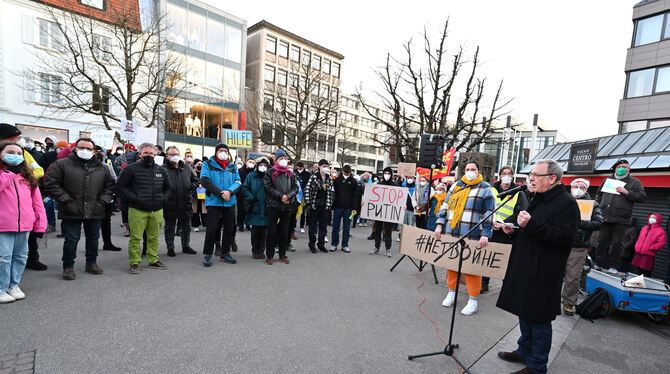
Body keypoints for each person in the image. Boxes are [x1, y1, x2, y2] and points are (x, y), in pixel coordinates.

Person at [496, 159, 579, 374]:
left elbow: (565, 236)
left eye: (536, 175)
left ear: (552, 179)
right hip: (526, 264)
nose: (531, 179)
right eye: (531, 174)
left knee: (538, 318)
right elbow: (525, 221)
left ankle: (537, 365)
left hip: (544, 271)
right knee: (524, 312)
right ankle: (524, 350)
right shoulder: (538, 197)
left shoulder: (567, 203)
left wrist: (529, 225)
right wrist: (511, 226)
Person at [45, 138, 115, 280]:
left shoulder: (103, 168)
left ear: (94, 151)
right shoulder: (61, 164)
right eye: (81, 147)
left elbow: (110, 186)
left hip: (95, 209)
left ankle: (91, 263)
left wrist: (102, 201)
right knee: (71, 239)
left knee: (93, 238)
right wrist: (66, 200)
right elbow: (51, 183)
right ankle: (68, 266)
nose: (85, 151)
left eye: (89, 149)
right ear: (75, 148)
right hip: (71, 208)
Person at [434, 160, 495, 316]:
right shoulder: (456, 186)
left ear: (479, 172)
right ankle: (451, 292)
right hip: (452, 231)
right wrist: (440, 224)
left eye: (473, 169)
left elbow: (489, 213)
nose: (469, 171)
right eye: (467, 169)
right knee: (452, 265)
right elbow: (445, 206)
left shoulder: (486, 189)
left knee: (471, 269)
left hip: (472, 234)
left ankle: (473, 300)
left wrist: (485, 234)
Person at [0, 142, 47, 303]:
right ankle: (1, 287)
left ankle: (14, 284)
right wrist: (10, 173)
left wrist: (40, 224)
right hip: (3, 224)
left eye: (19, 153)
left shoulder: (27, 176)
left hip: (24, 224)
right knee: (3, 257)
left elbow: (37, 203)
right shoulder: (5, 174)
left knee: (20, 256)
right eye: (10, 152)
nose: (16, 155)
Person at [117, 142, 171, 274]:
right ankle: (134, 262)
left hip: (157, 210)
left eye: (151, 153)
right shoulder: (130, 169)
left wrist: (163, 199)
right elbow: (120, 187)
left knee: (153, 237)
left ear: (155, 154)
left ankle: (153, 259)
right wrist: (134, 198)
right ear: (140, 154)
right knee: (136, 238)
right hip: (137, 209)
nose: (149, 155)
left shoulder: (161, 170)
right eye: (146, 153)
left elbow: (168, 188)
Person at [482, 166, 529, 293]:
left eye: (509, 173)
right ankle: (484, 283)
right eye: (504, 173)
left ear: (512, 176)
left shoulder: (519, 192)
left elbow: (521, 211)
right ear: (500, 175)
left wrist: (507, 224)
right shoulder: (491, 189)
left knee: (505, 261)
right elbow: (484, 207)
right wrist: (492, 222)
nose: (506, 176)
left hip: (507, 232)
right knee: (487, 258)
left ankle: (507, 287)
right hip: (491, 229)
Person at [594, 159, 646, 274]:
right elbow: (599, 194)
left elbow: (642, 197)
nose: (622, 168)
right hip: (605, 216)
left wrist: (627, 192)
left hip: (621, 218)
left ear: (629, 169)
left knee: (617, 243)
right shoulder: (607, 180)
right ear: (616, 169)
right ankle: (599, 263)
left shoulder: (635, 182)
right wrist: (597, 207)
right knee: (602, 241)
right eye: (619, 166)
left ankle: (614, 266)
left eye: (625, 166)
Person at [561, 178, 603, 316]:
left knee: (573, 277)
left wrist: (580, 223)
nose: (578, 189)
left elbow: (598, 222)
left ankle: (568, 303)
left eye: (582, 187)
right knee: (553, 272)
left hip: (579, 246)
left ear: (586, 190)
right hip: (560, 242)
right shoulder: (564, 201)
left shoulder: (593, 205)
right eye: (575, 186)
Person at [199, 144, 241, 267]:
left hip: (229, 202)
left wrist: (229, 192)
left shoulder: (232, 166)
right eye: (221, 150)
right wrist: (220, 193)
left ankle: (225, 253)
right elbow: (205, 180)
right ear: (216, 152)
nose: (223, 152)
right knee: (211, 229)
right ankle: (208, 254)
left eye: (225, 151)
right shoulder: (208, 164)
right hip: (214, 201)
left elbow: (238, 182)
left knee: (229, 229)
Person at [263, 150, 299, 264]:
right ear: (276, 160)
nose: (283, 161)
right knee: (271, 232)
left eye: (285, 158)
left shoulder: (291, 173)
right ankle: (269, 255)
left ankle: (282, 254)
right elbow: (267, 187)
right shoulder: (270, 172)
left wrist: (287, 196)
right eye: (281, 159)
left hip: (287, 207)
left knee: (284, 232)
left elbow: (295, 188)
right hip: (274, 206)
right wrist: (281, 196)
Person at [163, 146, 198, 257]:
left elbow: (196, 181)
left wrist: (190, 187)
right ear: (167, 156)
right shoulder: (163, 169)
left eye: (176, 154)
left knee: (186, 227)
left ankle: (186, 246)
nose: (175, 157)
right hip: (170, 203)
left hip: (185, 202)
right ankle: (170, 248)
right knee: (170, 227)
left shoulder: (187, 168)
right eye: (172, 154)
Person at [94, 146, 122, 252]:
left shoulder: (108, 166)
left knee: (106, 222)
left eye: (100, 152)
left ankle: (108, 243)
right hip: (92, 199)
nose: (98, 154)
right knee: (93, 224)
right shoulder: (85, 166)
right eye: (96, 151)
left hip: (106, 199)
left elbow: (114, 179)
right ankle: (92, 245)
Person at [241, 157, 269, 259]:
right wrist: (251, 197)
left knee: (264, 231)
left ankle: (261, 251)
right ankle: (255, 250)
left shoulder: (269, 176)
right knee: (256, 230)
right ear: (257, 166)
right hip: (255, 206)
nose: (263, 167)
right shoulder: (251, 176)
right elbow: (244, 188)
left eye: (265, 166)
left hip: (266, 207)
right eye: (261, 165)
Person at [305, 159, 334, 253]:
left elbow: (332, 192)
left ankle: (321, 244)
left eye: (327, 166)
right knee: (313, 226)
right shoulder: (314, 177)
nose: (325, 168)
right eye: (323, 166)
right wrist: (309, 203)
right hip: (315, 205)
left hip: (325, 205)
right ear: (319, 167)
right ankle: (312, 244)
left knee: (323, 227)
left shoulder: (329, 178)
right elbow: (307, 189)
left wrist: (330, 204)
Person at [370, 167, 398, 257]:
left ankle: (388, 249)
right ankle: (376, 247)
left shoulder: (395, 186)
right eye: (385, 173)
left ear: (391, 175)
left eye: (388, 173)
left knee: (388, 231)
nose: (387, 175)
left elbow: (398, 199)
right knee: (377, 230)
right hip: (379, 212)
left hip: (389, 212)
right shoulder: (379, 184)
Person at [330, 165, 359, 253]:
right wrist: (332, 206)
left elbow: (355, 196)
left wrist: (354, 208)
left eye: (348, 173)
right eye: (345, 173)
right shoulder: (337, 180)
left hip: (349, 209)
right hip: (338, 207)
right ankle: (334, 244)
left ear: (350, 173)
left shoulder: (353, 182)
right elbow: (332, 194)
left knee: (346, 228)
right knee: (335, 227)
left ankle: (345, 245)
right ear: (342, 171)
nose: (346, 174)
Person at [237, 157, 256, 232]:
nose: (251, 163)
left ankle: (248, 224)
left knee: (249, 210)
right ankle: (240, 224)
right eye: (249, 162)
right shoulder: (241, 171)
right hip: (241, 194)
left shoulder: (254, 172)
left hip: (251, 193)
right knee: (241, 210)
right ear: (246, 163)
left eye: (253, 162)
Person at [191, 159, 206, 232]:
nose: (200, 166)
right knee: (195, 210)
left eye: (201, 165)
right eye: (198, 164)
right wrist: (197, 185)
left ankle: (206, 224)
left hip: (203, 194)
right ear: (195, 165)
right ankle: (195, 225)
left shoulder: (205, 173)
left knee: (204, 210)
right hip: (195, 195)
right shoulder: (192, 172)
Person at [295, 161, 311, 232]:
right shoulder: (294, 172)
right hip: (295, 194)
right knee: (295, 211)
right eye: (298, 167)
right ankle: (294, 226)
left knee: (303, 211)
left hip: (303, 195)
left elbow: (308, 185)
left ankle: (302, 226)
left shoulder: (307, 174)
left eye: (301, 167)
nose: (299, 168)